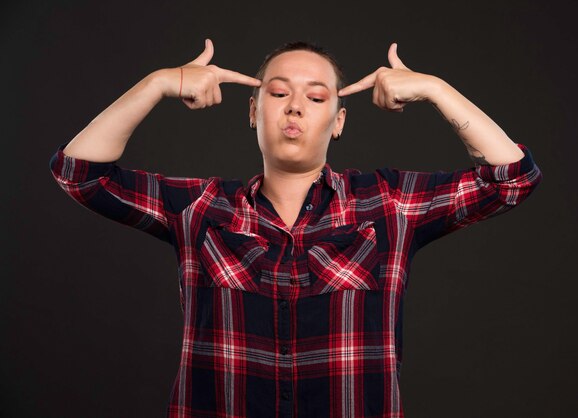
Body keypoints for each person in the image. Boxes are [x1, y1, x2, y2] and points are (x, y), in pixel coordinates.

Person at [49, 38, 542, 418]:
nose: (294, 107)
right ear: (252, 111)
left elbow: (512, 179)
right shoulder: (200, 208)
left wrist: (435, 89)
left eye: (316, 96)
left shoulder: (388, 204)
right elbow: (79, 173)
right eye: (278, 92)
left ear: (339, 120)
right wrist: (160, 82)